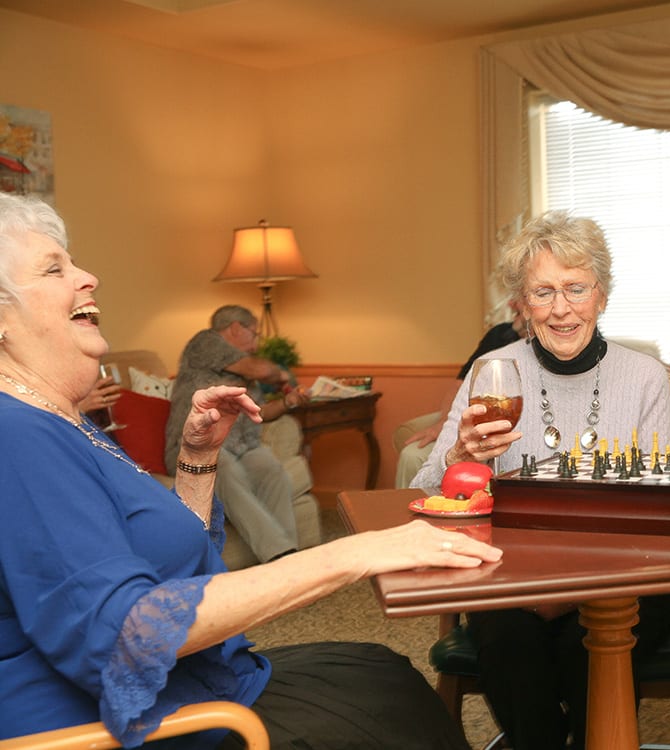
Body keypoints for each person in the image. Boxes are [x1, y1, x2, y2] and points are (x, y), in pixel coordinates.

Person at [0, 192, 503, 748]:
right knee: (391, 716)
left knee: (385, 672)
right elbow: (126, 633)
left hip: (206, 685)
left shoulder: (63, 421)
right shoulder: (18, 433)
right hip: (144, 726)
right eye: (55, 268)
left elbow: (171, 561)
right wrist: (355, 553)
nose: (88, 276)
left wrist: (198, 459)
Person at [412, 210, 670, 750]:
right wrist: (461, 456)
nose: (561, 309)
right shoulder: (491, 371)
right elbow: (425, 489)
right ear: (523, 303)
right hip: (516, 579)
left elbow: (660, 508)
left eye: (575, 288)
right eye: (543, 292)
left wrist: (576, 591)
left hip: (621, 578)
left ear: (601, 295)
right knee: (510, 642)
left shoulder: (643, 376)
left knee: (590, 646)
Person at [166, 305, 308, 563]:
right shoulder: (205, 342)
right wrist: (281, 374)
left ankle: (291, 560)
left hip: (242, 446)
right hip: (196, 446)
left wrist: (288, 402)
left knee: (271, 470)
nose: (256, 343)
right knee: (225, 468)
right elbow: (265, 371)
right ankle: (280, 554)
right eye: (254, 334)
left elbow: (260, 411)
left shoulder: (244, 369)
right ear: (235, 328)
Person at [395, 297, 525, 487]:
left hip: (501, 419)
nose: (510, 304)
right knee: (412, 455)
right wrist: (443, 424)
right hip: (474, 415)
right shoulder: (497, 337)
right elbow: (460, 386)